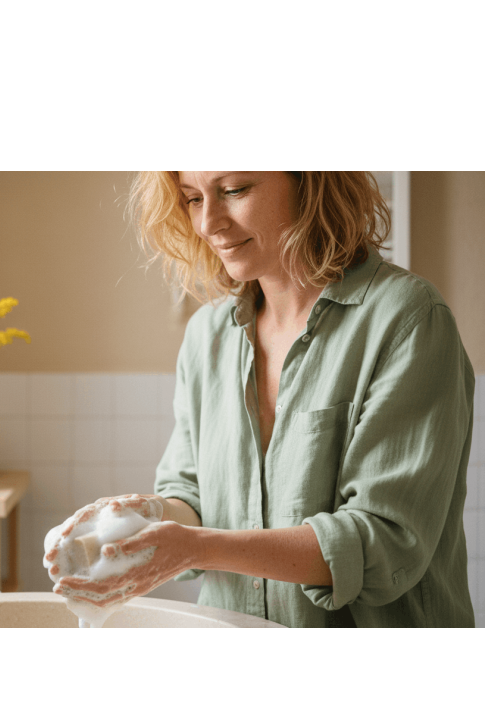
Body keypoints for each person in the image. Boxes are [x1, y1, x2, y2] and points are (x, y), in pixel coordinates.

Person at [44, 171, 476, 627]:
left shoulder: (407, 321)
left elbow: (384, 543)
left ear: (310, 181)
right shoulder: (206, 337)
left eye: (234, 191)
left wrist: (195, 547)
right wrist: (145, 518)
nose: (209, 222)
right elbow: (188, 493)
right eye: (192, 199)